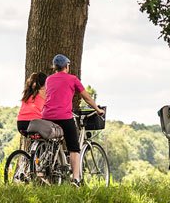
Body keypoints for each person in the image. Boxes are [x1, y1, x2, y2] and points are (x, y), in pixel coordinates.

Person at [42, 54, 104, 187]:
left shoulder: (49, 80)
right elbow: (87, 97)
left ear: (55, 67)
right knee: (74, 148)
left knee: (53, 140)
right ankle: (75, 179)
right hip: (64, 117)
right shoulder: (72, 79)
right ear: (66, 66)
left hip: (46, 116)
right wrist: (98, 109)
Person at [16, 72, 47, 151]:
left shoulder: (27, 93)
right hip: (34, 123)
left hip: (20, 124)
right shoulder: (43, 92)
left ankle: (33, 159)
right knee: (51, 134)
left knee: (36, 140)